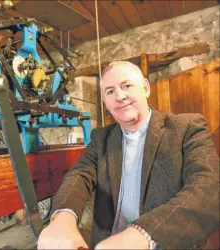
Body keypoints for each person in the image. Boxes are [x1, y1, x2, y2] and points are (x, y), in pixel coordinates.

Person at [37, 61, 219, 249]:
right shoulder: (101, 139)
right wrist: (62, 217)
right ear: (106, 103)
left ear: (146, 88)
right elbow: (79, 174)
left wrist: (144, 234)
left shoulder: (187, 128)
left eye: (127, 86)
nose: (120, 96)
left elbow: (209, 186)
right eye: (110, 91)